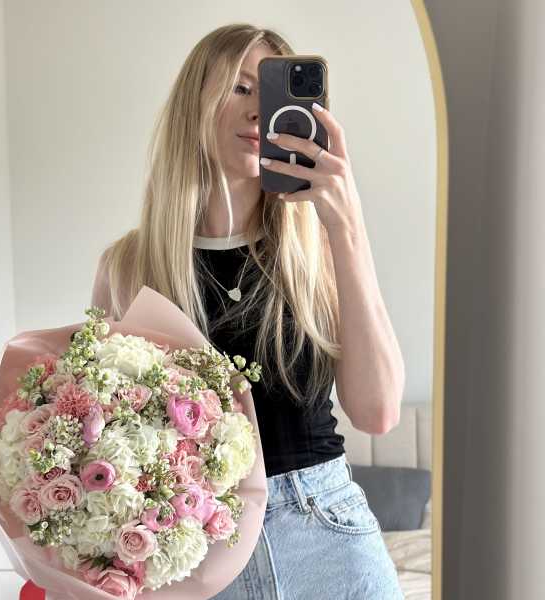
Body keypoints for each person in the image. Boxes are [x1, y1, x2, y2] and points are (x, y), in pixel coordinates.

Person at [91, 23, 406, 600]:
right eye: (241, 87)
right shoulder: (130, 267)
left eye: (274, 92)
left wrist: (348, 224)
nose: (261, 111)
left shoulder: (319, 251)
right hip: (197, 552)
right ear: (195, 102)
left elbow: (378, 412)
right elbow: (109, 438)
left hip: (329, 536)